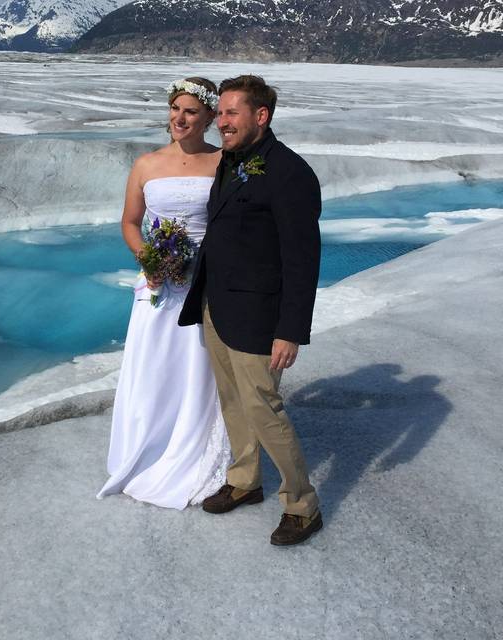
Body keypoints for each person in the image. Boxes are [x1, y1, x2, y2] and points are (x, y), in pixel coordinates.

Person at [178, 75, 324, 545]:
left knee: (265, 410)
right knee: (233, 403)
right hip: (218, 307)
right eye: (219, 113)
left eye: (231, 113)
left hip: (261, 317)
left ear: (261, 116)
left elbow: (302, 261)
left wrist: (291, 330)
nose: (221, 122)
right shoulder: (232, 160)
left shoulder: (290, 174)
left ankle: (302, 505)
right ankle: (245, 481)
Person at [97, 78, 231, 509]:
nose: (180, 118)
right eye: (176, 108)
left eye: (191, 111)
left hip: (205, 283)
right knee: (153, 364)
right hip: (157, 286)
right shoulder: (146, 164)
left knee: (197, 366)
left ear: (209, 116)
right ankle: (145, 446)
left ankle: (191, 452)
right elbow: (130, 223)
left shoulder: (226, 162)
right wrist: (149, 261)